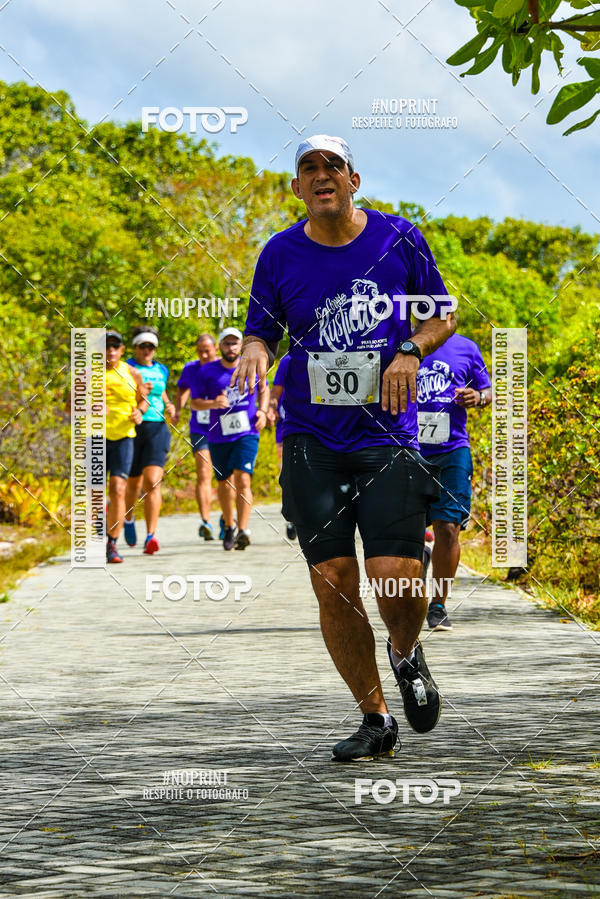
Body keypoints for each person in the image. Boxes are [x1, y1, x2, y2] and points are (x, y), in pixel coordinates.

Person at [233, 134, 456, 761]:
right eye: (309, 168)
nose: (321, 175)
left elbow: (442, 315)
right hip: (312, 440)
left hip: (388, 434)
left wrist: (410, 350)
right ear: (297, 188)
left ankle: (405, 653)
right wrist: (254, 350)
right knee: (333, 580)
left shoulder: (398, 237)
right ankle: (374, 716)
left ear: (354, 180)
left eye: (333, 165)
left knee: (395, 579)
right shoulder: (279, 253)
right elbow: (260, 331)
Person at [416, 332, 491, 630]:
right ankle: (414, 580)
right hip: (407, 448)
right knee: (407, 529)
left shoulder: (466, 347)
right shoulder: (399, 340)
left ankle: (438, 605)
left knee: (448, 528)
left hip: (452, 450)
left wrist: (478, 397)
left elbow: (489, 391)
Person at [190, 328, 270, 551]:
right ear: (220, 347)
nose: (231, 347)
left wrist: (263, 411)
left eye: (235, 343)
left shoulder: (251, 364)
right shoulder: (207, 372)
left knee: (243, 478)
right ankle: (228, 525)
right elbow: (194, 402)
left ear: (241, 346)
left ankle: (243, 530)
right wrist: (213, 403)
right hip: (218, 435)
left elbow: (264, 389)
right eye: (227, 343)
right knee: (224, 482)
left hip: (247, 432)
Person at [123, 326, 174, 555]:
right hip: (133, 427)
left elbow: (161, 392)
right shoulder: (127, 368)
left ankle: (151, 535)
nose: (146, 350)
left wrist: (169, 404)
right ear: (134, 347)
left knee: (152, 481)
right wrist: (139, 391)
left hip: (157, 427)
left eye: (150, 346)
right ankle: (128, 518)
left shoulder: (161, 369)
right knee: (132, 483)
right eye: (142, 346)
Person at [104, 330, 149, 563]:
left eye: (115, 346)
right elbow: (70, 406)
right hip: (94, 438)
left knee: (118, 488)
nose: (110, 350)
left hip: (124, 437)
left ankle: (112, 543)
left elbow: (144, 400)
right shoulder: (86, 374)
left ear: (122, 350)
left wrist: (139, 412)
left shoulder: (132, 373)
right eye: (106, 346)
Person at [174, 333, 218, 540]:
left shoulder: (225, 366)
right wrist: (177, 409)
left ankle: (228, 519)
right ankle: (205, 521)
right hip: (200, 427)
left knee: (228, 475)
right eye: (200, 351)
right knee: (203, 472)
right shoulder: (191, 368)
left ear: (216, 349)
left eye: (207, 350)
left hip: (225, 428)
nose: (204, 355)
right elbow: (182, 388)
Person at [268, 353, 297, 540]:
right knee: (289, 472)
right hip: (288, 425)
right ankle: (291, 516)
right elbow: (275, 392)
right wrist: (271, 409)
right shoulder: (288, 360)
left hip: (317, 426)